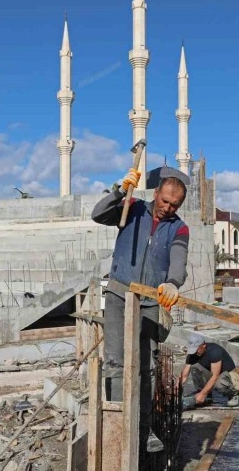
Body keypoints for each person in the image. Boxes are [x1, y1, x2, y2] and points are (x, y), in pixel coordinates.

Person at [91, 168, 189, 453]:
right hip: (120, 293)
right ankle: (116, 423)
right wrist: (120, 191)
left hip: (149, 301)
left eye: (174, 205)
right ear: (156, 193)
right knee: (115, 362)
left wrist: (172, 283)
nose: (168, 208)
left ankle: (142, 430)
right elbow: (98, 215)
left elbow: (178, 260)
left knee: (145, 368)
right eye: (165, 200)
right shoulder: (132, 208)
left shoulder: (179, 228)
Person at [180, 334, 239, 409]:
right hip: (212, 374)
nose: (195, 352)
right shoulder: (193, 354)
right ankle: (205, 393)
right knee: (194, 366)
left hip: (227, 375)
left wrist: (203, 394)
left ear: (203, 345)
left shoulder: (214, 351)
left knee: (219, 383)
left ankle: (233, 394)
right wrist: (177, 389)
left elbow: (215, 376)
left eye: (196, 349)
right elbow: (184, 375)